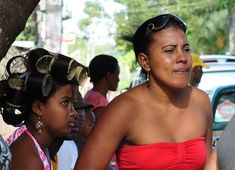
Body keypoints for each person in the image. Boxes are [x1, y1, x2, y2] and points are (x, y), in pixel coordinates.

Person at [74, 13, 213, 170]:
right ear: (145, 62)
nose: (182, 58)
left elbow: (210, 165)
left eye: (186, 49)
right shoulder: (123, 109)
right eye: (169, 51)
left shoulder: (201, 101)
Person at [0, 48, 89, 170]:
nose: (74, 113)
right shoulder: (29, 160)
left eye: (72, 104)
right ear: (38, 108)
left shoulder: (39, 147)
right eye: (65, 102)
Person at [84, 54, 120, 121]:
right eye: (117, 74)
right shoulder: (99, 106)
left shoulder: (90, 95)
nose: (118, 79)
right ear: (109, 75)